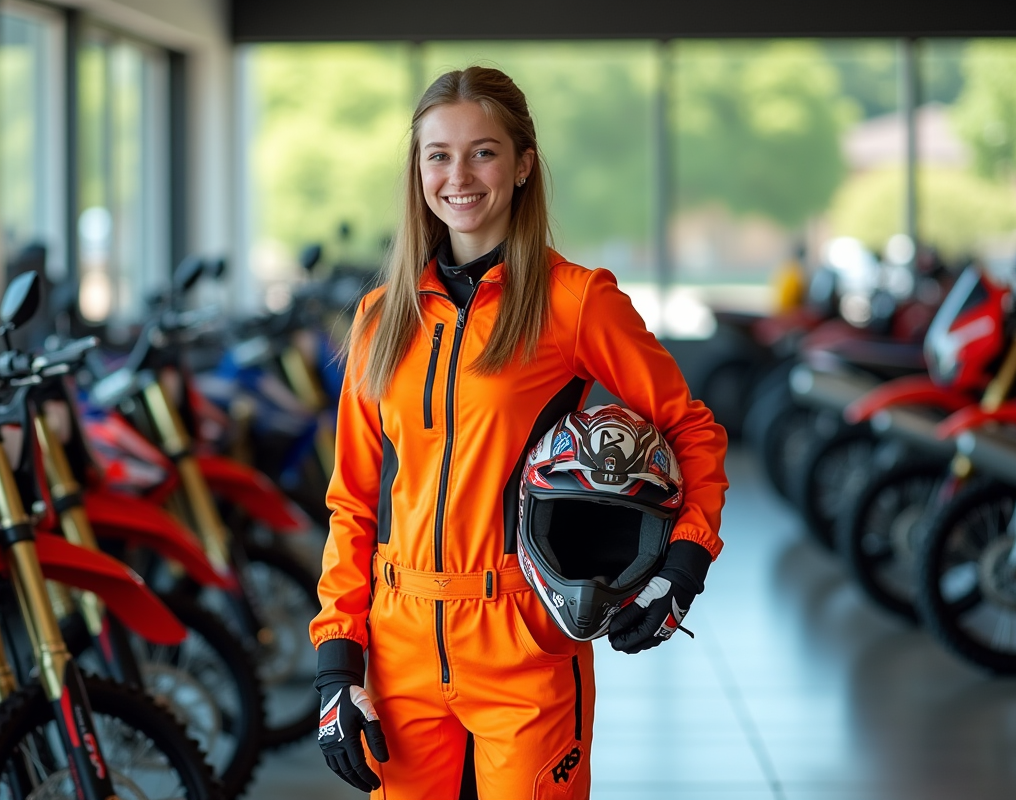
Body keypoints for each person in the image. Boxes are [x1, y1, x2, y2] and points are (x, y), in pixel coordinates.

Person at [310, 66, 729, 799]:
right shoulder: (381, 317)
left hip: (525, 641)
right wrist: (337, 666)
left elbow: (690, 429)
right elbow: (354, 501)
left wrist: (682, 568)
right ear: (417, 169)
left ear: (523, 164)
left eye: (483, 151)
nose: (458, 175)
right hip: (398, 641)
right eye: (438, 154)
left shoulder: (576, 300)